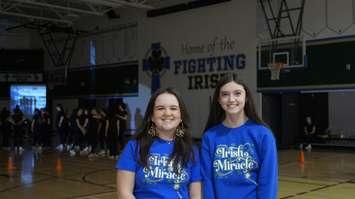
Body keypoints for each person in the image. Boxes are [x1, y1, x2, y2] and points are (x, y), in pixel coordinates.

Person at [200, 74, 278, 199]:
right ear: (219, 100)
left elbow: (268, 181)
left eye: (237, 93)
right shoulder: (210, 137)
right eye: (225, 94)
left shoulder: (263, 135)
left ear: (246, 97)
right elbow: (207, 182)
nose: (231, 99)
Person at [116, 87, 201, 199]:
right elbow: (124, 193)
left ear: (181, 115)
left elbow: (196, 195)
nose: (167, 113)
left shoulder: (191, 150)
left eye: (173, 108)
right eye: (160, 108)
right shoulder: (134, 146)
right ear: (152, 116)